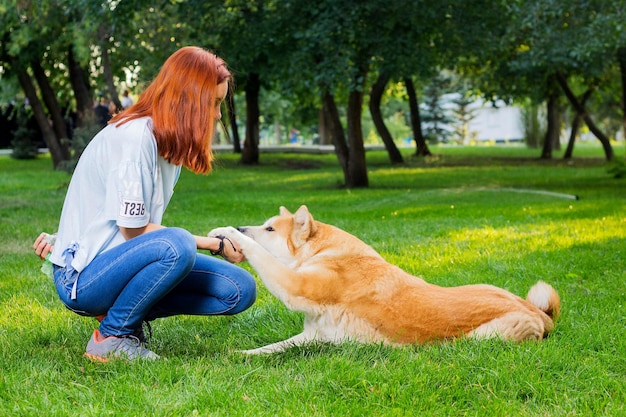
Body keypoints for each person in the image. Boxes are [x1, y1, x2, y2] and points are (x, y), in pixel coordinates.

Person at [32, 46, 257, 362]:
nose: (218, 114)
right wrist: (215, 244)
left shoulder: (166, 141)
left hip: (117, 263)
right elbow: (135, 232)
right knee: (177, 244)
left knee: (238, 288)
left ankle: (120, 312)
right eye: (213, 103)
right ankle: (112, 336)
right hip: (82, 278)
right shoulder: (136, 137)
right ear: (188, 98)